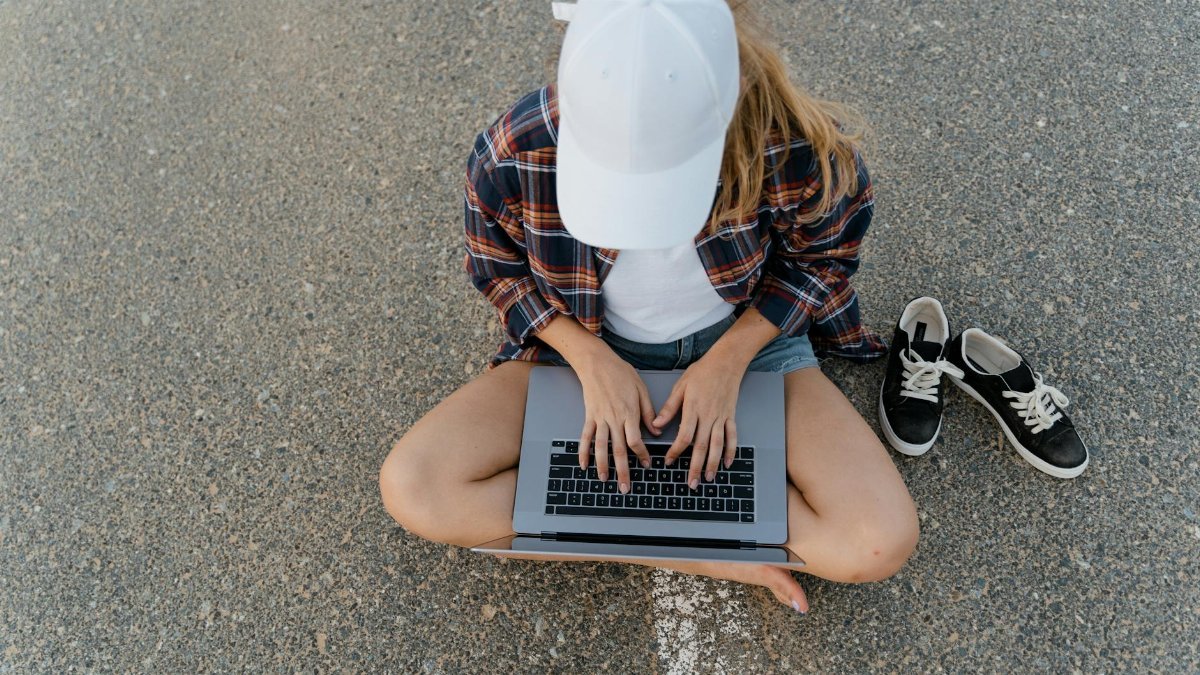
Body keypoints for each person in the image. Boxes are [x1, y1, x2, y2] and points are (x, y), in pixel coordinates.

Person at [380, 0, 918, 613]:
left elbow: (824, 259)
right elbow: (497, 271)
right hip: (583, 344)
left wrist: (728, 362)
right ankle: (703, 546)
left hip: (749, 341)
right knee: (415, 486)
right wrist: (587, 359)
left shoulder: (791, 144)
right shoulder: (514, 148)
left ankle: (614, 524)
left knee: (878, 541)